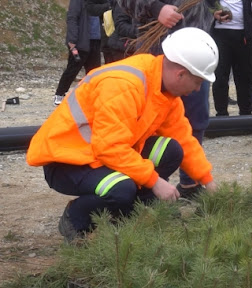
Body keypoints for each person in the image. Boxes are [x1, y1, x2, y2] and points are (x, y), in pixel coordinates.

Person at [26, 28, 219, 242]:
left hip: (100, 155)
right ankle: (76, 219)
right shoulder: (125, 85)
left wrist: (207, 180)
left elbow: (184, 139)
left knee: (172, 150)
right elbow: (110, 147)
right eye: (198, 82)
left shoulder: (164, 92)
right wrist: (154, 181)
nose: (197, 89)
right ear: (180, 74)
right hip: (67, 160)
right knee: (121, 189)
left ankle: (132, 214)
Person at [117, 0, 216, 198]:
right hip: (160, 50)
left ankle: (189, 184)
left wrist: (208, 179)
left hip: (198, 54)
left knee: (193, 122)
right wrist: (156, 8)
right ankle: (149, 188)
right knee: (149, 128)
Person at [211, 0, 252, 116]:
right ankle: (221, 113)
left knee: (244, 76)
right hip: (220, 34)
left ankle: (245, 112)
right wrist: (213, 12)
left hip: (243, 35)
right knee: (220, 76)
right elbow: (205, 5)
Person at [53, 0, 102, 106]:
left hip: (96, 39)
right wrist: (72, 40)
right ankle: (60, 94)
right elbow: (72, 18)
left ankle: (92, 96)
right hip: (81, 40)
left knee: (94, 71)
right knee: (73, 68)